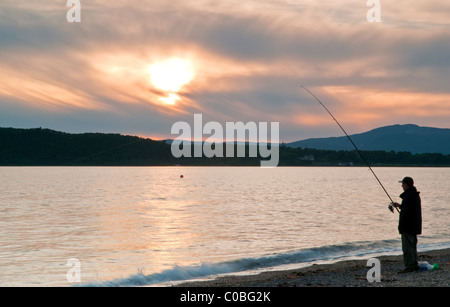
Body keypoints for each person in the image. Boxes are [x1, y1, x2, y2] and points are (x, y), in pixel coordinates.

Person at [392, 177, 422, 273]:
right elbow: (408, 209)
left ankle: (410, 267)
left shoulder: (409, 196)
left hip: (408, 226)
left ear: (406, 185)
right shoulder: (414, 195)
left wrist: (401, 207)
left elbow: (407, 211)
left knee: (407, 247)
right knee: (412, 246)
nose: (402, 186)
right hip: (414, 226)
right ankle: (414, 265)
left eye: (403, 184)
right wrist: (399, 206)